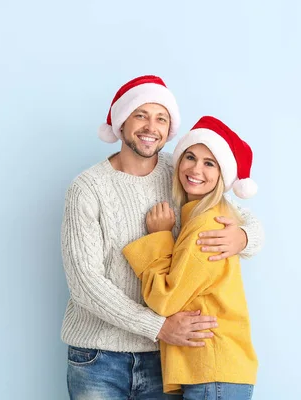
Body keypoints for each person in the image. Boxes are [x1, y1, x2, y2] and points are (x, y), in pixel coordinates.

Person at [61, 75, 263, 399]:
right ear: (121, 122)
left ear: (170, 131)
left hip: (164, 360)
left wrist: (243, 237)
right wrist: (158, 327)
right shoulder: (87, 189)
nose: (150, 127)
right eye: (140, 115)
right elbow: (86, 284)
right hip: (98, 357)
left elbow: (239, 215)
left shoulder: (182, 172)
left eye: (161, 119)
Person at [123, 116, 259, 400]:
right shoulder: (205, 216)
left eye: (210, 163)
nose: (196, 169)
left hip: (212, 371)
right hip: (213, 371)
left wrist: (159, 238)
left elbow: (166, 301)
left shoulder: (206, 226)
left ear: (222, 174)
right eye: (190, 157)